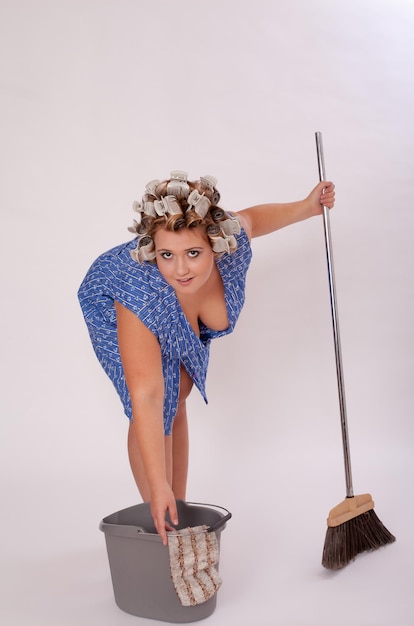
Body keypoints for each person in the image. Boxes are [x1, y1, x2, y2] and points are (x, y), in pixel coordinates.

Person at [78, 171, 335, 545]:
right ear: (154, 252)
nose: (180, 270)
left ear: (215, 246)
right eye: (166, 255)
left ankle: (175, 506)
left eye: (193, 253)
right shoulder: (137, 293)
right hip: (114, 296)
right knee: (160, 398)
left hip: (169, 308)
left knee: (177, 390)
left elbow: (254, 219)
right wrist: (157, 485)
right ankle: (160, 517)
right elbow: (146, 395)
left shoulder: (230, 244)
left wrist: (307, 207)